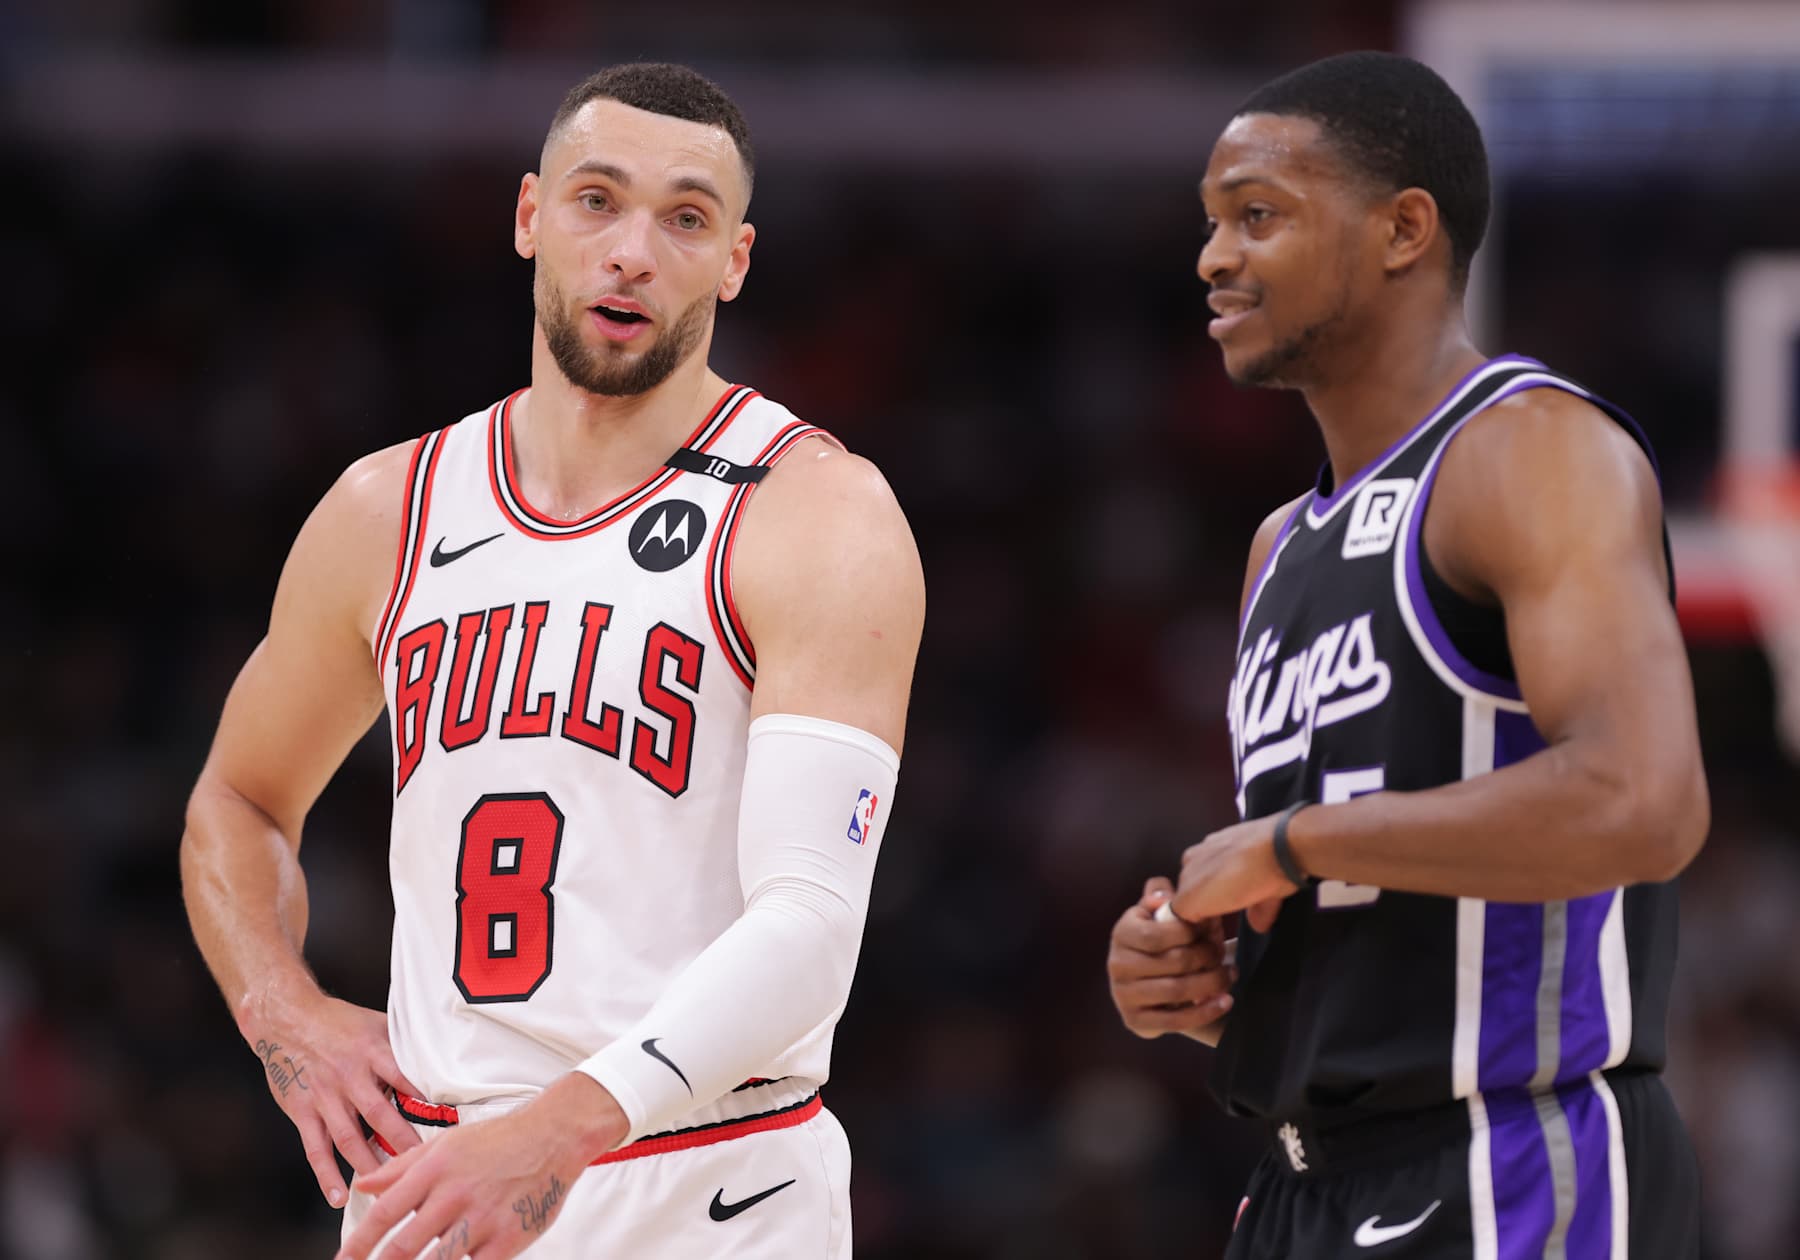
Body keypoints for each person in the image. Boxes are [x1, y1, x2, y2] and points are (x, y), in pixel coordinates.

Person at [180, 62, 923, 1260]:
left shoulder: (816, 511)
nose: (633, 250)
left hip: (703, 1183)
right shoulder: (389, 509)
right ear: (531, 217)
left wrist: (560, 1132)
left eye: (686, 218)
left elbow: (812, 923)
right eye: (597, 200)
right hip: (438, 1184)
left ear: (735, 261)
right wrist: (288, 1015)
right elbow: (238, 800)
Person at [1106, 51, 1707, 1258]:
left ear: (1403, 230)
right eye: (1213, 223)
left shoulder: (1528, 451)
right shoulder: (1282, 544)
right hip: (1299, 1189)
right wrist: (1200, 982)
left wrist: (1289, 842)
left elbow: (1643, 802)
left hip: (1512, 1163)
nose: (1214, 258)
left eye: (1258, 217)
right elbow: (1385, 916)